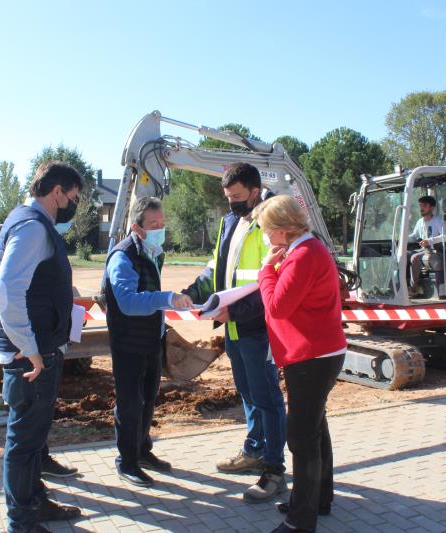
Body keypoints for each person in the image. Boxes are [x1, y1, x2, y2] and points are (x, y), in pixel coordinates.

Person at [182, 163, 287, 503]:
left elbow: (272, 282)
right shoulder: (231, 222)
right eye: (228, 197)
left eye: (238, 197)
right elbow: (216, 268)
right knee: (247, 392)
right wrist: (192, 292)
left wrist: (235, 311)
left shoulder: (271, 223)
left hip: (258, 328)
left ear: (255, 191)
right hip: (234, 327)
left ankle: (274, 469)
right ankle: (254, 449)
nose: (232, 204)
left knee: (267, 397)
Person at [0, 161, 83, 533]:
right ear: (56, 191)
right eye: (72, 198)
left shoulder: (22, 220)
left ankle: (35, 503)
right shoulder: (32, 228)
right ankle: (22, 522)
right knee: (24, 442)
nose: (72, 206)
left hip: (35, 349)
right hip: (31, 356)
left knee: (32, 438)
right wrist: (27, 345)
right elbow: (3, 289)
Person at [253, 195, 347, 533]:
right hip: (317, 353)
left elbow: (277, 307)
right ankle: (318, 500)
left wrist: (266, 270)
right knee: (315, 429)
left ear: (281, 232)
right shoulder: (304, 252)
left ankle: (300, 521)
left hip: (312, 358)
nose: (265, 236)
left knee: (302, 439)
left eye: (266, 230)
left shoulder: (304, 256)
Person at [105, 197, 192, 487]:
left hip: (151, 341)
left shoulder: (153, 252)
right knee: (130, 404)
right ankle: (126, 462)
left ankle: (142, 451)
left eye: (162, 223)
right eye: (154, 224)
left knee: (147, 401)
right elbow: (128, 302)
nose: (160, 229)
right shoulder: (123, 256)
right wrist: (166, 299)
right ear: (137, 227)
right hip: (129, 343)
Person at [0, 251, 77, 480]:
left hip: (47, 347)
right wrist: (2, 335)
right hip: (25, 353)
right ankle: (27, 492)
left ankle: (40, 462)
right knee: (26, 424)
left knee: (41, 414)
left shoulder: (43, 249)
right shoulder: (17, 251)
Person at [408, 195, 446, 296]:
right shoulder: (420, 222)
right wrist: (402, 239)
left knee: (415, 257)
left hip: (436, 251)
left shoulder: (438, 220)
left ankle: (414, 289)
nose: (421, 208)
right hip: (424, 251)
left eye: (424, 205)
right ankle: (402, 287)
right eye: (420, 206)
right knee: (403, 255)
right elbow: (414, 236)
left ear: (432, 207)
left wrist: (429, 241)